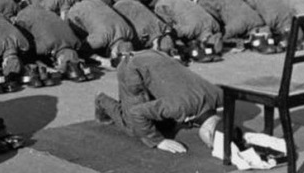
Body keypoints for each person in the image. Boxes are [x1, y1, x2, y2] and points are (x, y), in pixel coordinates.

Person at [94, 49, 222, 154]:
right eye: (211, 144)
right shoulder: (178, 106)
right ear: (208, 134)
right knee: (135, 127)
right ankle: (102, 101)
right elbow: (136, 113)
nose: (209, 145)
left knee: (165, 124)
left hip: (155, 55)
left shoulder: (217, 95)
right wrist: (158, 141)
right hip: (133, 68)